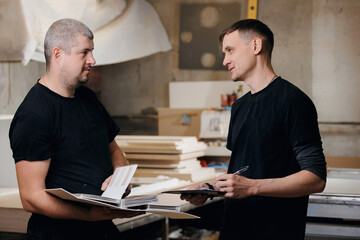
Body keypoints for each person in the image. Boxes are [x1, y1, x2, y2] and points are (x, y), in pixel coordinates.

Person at [181, 19, 327, 240]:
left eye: (230, 50)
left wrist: (253, 188)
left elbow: (316, 178)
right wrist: (211, 188)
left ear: (256, 46)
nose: (224, 61)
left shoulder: (294, 102)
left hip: (275, 232)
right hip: (234, 229)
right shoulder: (239, 107)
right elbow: (244, 171)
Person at [9, 18, 142, 240]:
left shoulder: (88, 98)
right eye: (84, 52)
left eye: (92, 51)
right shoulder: (34, 113)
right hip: (59, 233)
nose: (93, 60)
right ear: (58, 55)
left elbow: (113, 151)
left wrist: (120, 177)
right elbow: (31, 197)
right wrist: (88, 215)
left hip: (101, 227)